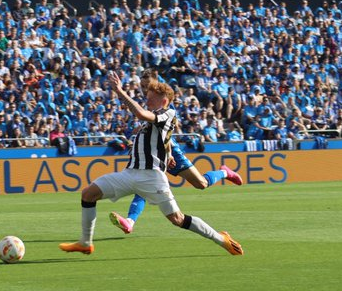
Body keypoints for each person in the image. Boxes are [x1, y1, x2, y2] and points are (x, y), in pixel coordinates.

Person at [59, 73, 243, 256]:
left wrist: (119, 91)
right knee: (88, 194)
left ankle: (221, 239)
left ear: (163, 101)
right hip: (129, 173)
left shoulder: (168, 113)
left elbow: (141, 113)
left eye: (150, 99)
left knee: (177, 219)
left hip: (151, 176)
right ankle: (85, 243)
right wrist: (168, 153)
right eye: (146, 98)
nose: (147, 102)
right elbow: (163, 138)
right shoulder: (153, 119)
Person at [109, 69, 243, 235]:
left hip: (168, 150)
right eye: (142, 86)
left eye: (147, 85)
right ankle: (130, 221)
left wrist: (169, 153)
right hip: (156, 153)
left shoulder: (163, 102)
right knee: (145, 183)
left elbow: (167, 131)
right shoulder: (150, 101)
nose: (144, 90)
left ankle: (224, 172)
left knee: (201, 184)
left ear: (156, 82)